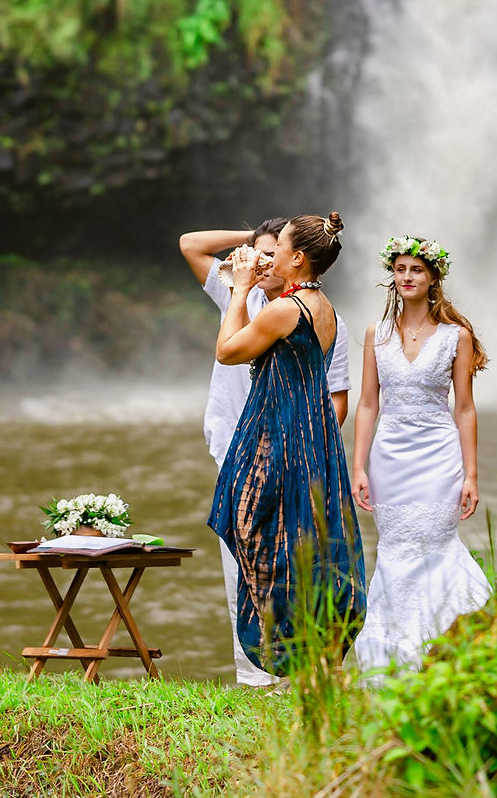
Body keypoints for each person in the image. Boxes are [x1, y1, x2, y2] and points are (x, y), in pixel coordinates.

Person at [179, 219, 351, 686]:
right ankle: (311, 666)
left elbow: (227, 351)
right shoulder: (325, 306)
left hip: (273, 441)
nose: (268, 257)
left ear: (297, 258)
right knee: (298, 550)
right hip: (307, 443)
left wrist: (238, 290)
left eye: (279, 249)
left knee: (253, 538)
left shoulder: (283, 310)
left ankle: (270, 665)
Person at [351, 234, 491, 675]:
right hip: (390, 455)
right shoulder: (378, 334)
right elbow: (368, 403)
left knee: (434, 542)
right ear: (391, 277)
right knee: (394, 547)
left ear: (433, 278)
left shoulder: (456, 336)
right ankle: (392, 654)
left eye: (416, 269)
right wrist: (358, 465)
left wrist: (471, 475)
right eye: (399, 269)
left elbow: (464, 407)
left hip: (438, 453)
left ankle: (449, 645)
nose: (406, 277)